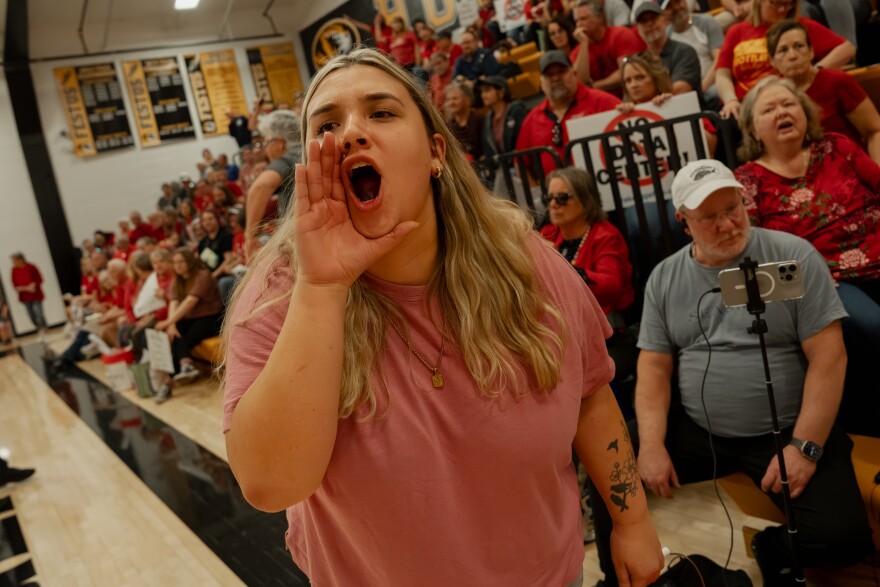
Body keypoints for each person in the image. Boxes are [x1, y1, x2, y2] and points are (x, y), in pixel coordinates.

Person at [222, 47, 663, 587]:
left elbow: (591, 394)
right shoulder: (278, 294)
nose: (353, 133)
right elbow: (270, 483)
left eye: (381, 113)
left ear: (435, 153)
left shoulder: (526, 261)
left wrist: (632, 519)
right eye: (328, 124)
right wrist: (322, 288)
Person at [589, 159, 875, 586]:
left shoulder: (794, 256)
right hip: (700, 429)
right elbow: (653, 366)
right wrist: (649, 445)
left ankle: (772, 547)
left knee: (844, 538)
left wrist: (805, 447)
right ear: (684, 222)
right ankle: (621, 580)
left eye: (733, 209)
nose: (726, 224)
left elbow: (829, 358)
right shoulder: (665, 278)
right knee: (608, 459)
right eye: (709, 217)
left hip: (788, 428)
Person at [733, 76, 880, 434]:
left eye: (789, 104)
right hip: (827, 281)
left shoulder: (837, 146)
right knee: (873, 326)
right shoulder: (747, 181)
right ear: (753, 128)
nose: (782, 112)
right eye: (769, 109)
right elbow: (751, 264)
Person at [716, 0, 854, 121]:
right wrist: (730, 100)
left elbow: (847, 48)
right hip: (743, 105)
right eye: (776, 3)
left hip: (782, 101)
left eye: (788, 3)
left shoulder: (797, 27)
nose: (782, 9)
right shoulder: (736, 31)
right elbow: (722, 74)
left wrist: (815, 70)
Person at [767, 19, 880, 164]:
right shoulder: (773, 97)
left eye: (799, 46)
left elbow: (874, 131)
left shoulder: (837, 81)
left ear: (811, 52)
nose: (793, 55)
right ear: (772, 61)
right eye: (783, 50)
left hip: (849, 166)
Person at [539, 167, 634, 315]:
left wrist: (562, 266)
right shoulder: (548, 234)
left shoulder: (605, 235)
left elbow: (611, 287)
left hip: (604, 323)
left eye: (562, 198)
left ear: (584, 200)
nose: (553, 204)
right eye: (549, 198)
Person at [516, 50, 621, 176]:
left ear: (574, 73)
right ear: (540, 82)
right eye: (549, 75)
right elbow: (520, 163)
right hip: (557, 193)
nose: (556, 78)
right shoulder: (532, 119)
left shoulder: (602, 101)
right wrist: (538, 192)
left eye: (562, 71)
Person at [154, 247, 224, 403]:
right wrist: (172, 324)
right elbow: (174, 302)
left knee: (182, 338)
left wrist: (168, 322)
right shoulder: (177, 280)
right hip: (192, 318)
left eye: (181, 262)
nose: (177, 265)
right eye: (175, 262)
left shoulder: (202, 275)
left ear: (189, 262)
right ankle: (185, 366)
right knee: (175, 334)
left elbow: (190, 302)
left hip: (213, 317)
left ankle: (168, 383)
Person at [244, 110, 301, 259]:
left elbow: (260, 187)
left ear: (279, 143)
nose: (265, 148)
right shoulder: (311, 149)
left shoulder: (290, 158)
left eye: (266, 142)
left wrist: (250, 236)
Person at [569, 0, 646, 95]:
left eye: (584, 19)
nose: (579, 24)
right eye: (577, 21)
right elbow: (579, 82)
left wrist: (595, 86)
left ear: (599, 17)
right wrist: (584, 44)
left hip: (628, 95)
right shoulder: (578, 51)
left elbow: (626, 71)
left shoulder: (621, 35)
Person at [632, 3, 702, 99]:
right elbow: (630, 97)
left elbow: (680, 90)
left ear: (665, 20)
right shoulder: (637, 61)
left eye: (653, 18)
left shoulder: (684, 51)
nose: (649, 24)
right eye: (643, 21)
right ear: (637, 29)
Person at [664, 0, 725, 109]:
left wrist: (701, 88)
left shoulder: (706, 22)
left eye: (678, 2)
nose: (676, 8)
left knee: (715, 92)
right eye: (670, 6)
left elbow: (720, 59)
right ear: (663, 13)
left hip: (711, 84)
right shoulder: (666, 36)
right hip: (684, 93)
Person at [478, 76, 527, 194]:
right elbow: (488, 149)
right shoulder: (488, 118)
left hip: (519, 167)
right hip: (500, 169)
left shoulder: (516, 110)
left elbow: (523, 140)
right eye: (482, 91)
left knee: (504, 177)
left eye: (488, 90)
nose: (483, 95)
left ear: (501, 92)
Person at [444, 81, 484, 166]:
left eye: (455, 98)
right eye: (448, 99)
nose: (451, 103)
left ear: (467, 100)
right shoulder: (448, 126)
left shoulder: (479, 120)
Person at [10, 252, 47, 336]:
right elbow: (14, 283)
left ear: (20, 260)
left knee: (38, 312)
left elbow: (39, 279)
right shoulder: (14, 270)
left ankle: (43, 327)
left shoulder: (31, 267)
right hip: (25, 296)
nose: (13, 263)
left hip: (35, 295)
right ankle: (38, 327)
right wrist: (20, 288)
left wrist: (34, 285)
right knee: (31, 315)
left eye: (14, 260)